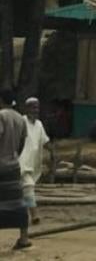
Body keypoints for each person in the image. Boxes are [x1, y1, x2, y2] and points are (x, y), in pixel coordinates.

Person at [0, 90, 29, 250]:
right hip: (13, 164)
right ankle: (24, 238)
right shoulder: (20, 118)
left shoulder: (1, 115)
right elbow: (22, 142)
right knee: (17, 202)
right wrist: (15, 156)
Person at [19, 97, 50, 227]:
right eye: (33, 107)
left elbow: (44, 140)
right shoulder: (21, 121)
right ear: (27, 108)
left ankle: (21, 216)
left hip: (32, 163)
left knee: (20, 191)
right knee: (28, 187)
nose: (35, 110)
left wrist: (52, 152)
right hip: (20, 161)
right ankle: (34, 215)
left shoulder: (39, 124)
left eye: (37, 107)